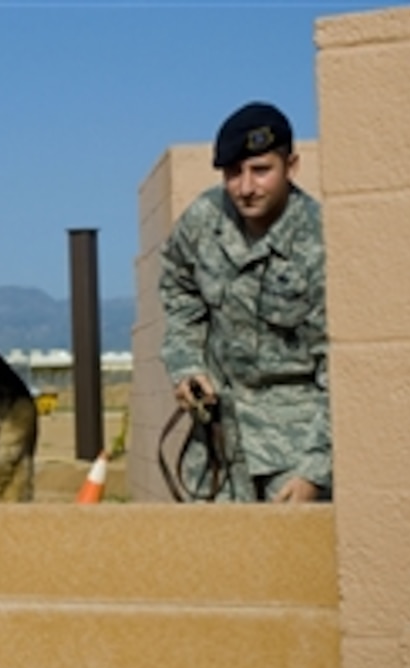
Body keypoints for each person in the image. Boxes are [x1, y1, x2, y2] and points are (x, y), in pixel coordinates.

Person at [158, 101, 331, 503]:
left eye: (261, 170)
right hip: (217, 449)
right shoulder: (204, 220)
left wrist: (315, 470)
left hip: (292, 454)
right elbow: (178, 290)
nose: (246, 187)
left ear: (292, 166)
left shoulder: (319, 244)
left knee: (290, 565)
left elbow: (336, 369)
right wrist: (186, 366)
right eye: (233, 173)